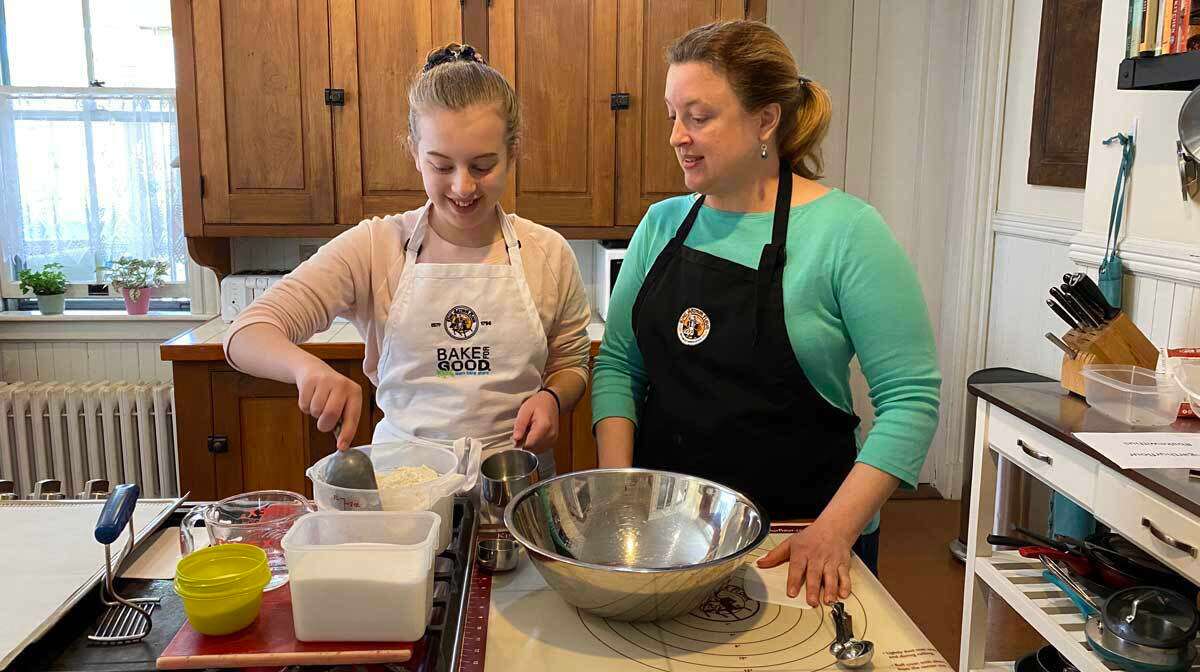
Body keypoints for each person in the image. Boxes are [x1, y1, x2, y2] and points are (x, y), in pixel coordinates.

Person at [591, 21, 941, 607]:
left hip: (798, 543)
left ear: (765, 120)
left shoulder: (847, 232)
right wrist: (621, 491)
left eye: (699, 117)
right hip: (667, 535)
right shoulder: (661, 225)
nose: (677, 136)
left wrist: (834, 531)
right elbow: (619, 366)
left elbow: (911, 400)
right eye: (673, 116)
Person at [224, 44, 592, 476]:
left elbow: (572, 363)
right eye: (441, 166)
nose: (463, 186)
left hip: (512, 490)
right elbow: (247, 333)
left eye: (482, 166)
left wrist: (552, 398)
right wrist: (306, 369)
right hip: (404, 492)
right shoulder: (375, 247)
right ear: (415, 153)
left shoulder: (548, 253)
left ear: (512, 153)